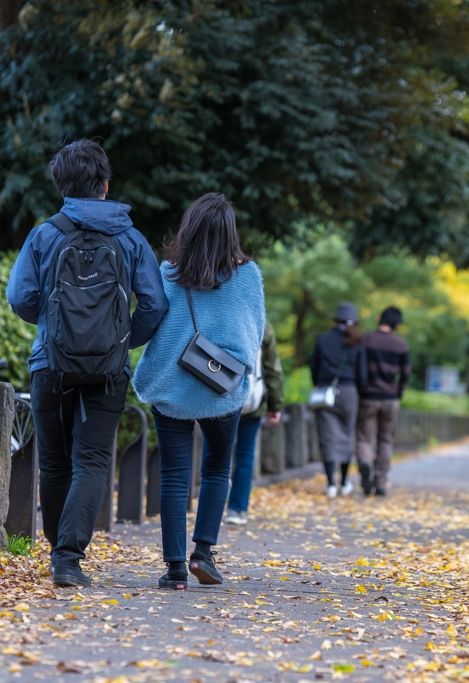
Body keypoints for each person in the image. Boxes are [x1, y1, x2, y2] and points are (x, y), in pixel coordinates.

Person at [7, 139, 168, 588]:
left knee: (54, 462)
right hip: (109, 370)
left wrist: (53, 327)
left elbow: (20, 297)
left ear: (61, 185)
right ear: (105, 184)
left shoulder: (44, 235)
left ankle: (58, 554)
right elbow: (154, 305)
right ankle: (69, 558)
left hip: (49, 363)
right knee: (93, 460)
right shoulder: (130, 238)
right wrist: (120, 341)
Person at [132, 193, 265, 591]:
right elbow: (255, 334)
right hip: (221, 387)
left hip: (171, 384)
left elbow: (153, 322)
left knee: (174, 475)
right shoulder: (248, 276)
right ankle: (202, 553)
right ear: (230, 232)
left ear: (188, 228)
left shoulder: (168, 273)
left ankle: (174, 568)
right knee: (217, 469)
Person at [224, 321, 284, 525]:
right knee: (245, 454)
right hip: (252, 401)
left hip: (221, 399)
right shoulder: (263, 324)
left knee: (215, 453)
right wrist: (275, 406)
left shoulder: (222, 315)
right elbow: (273, 369)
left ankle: (211, 509)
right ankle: (237, 509)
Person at [309, 302, 367, 498]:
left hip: (325, 391)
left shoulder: (323, 339)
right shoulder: (357, 342)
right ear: (354, 322)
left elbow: (314, 367)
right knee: (346, 436)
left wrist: (319, 384)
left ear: (336, 320)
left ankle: (330, 485)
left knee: (327, 437)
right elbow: (362, 374)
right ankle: (343, 482)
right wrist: (358, 392)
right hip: (349, 392)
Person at [356, 306, 410, 496]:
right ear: (397, 325)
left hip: (368, 397)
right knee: (385, 440)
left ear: (379, 318)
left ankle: (365, 462)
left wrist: (361, 390)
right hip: (390, 398)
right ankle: (380, 483)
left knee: (365, 438)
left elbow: (358, 367)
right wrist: (398, 393)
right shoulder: (401, 345)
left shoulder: (365, 339)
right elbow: (405, 374)